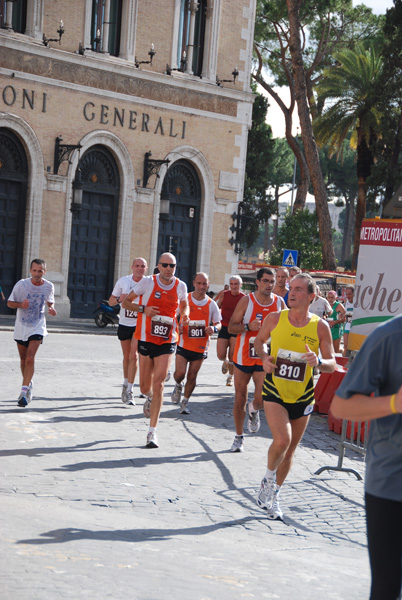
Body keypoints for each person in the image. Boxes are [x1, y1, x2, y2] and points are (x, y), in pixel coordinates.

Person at [253, 273, 335, 520]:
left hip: (303, 396)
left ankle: (275, 496)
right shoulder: (275, 318)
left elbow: (332, 364)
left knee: (290, 452)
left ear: (311, 296)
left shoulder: (320, 326)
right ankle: (268, 479)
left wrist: (319, 361)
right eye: (291, 288)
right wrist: (264, 357)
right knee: (282, 440)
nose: (293, 293)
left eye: (299, 289)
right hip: (275, 390)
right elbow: (259, 341)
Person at [331, 315, 402, 600]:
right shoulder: (389, 337)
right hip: (392, 484)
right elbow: (341, 406)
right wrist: (395, 402)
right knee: (387, 588)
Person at [122, 252, 189, 448]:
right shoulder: (147, 283)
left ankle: (152, 432)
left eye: (172, 265)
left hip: (168, 339)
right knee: (145, 388)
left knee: (159, 383)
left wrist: (184, 315)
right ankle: (149, 397)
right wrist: (144, 310)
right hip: (146, 338)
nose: (169, 269)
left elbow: (184, 305)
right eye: (165, 265)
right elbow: (126, 302)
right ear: (158, 266)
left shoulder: (181, 286)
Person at [228, 268, 286, 452]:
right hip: (244, 356)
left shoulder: (279, 303)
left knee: (261, 399)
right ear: (258, 282)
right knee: (240, 397)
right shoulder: (247, 301)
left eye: (272, 281)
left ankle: (253, 410)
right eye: (266, 281)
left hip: (265, 357)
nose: (270, 285)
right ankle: (238, 436)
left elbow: (287, 325)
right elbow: (231, 327)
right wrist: (247, 326)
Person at [7, 259, 57, 407]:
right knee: (23, 360)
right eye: (34, 271)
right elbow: (10, 303)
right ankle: (28, 383)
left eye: (40, 271)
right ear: (30, 271)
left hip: (38, 326)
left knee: (30, 358)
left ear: (44, 272)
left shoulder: (49, 286)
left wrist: (51, 308)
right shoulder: (21, 285)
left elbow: (50, 301)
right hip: (21, 327)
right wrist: (20, 304)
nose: (37, 274)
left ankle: (23, 392)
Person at [171, 272, 221, 415]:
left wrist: (214, 328)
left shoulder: (212, 304)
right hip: (183, 343)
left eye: (204, 283)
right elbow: (173, 315)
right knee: (180, 373)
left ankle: (185, 402)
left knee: (192, 376)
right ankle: (178, 384)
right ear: (193, 284)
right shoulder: (185, 299)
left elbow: (219, 323)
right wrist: (177, 327)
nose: (201, 286)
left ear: (208, 284)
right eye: (199, 283)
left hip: (200, 346)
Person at [109, 257, 148, 405]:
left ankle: (130, 389)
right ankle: (125, 384)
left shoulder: (148, 283)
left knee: (134, 355)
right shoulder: (123, 281)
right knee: (126, 356)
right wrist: (120, 299)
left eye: (142, 266)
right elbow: (111, 301)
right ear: (132, 267)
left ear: (146, 268)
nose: (139, 268)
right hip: (125, 323)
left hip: (140, 324)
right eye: (137, 266)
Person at [216, 275, 245, 386]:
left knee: (233, 354)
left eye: (236, 284)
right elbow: (218, 306)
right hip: (224, 326)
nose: (234, 286)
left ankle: (230, 377)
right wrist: (215, 320)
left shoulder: (244, 298)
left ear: (240, 285)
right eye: (232, 284)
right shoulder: (224, 294)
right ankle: (225, 361)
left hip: (236, 328)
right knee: (220, 354)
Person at [343, 285, 354, 357]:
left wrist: (347, 314)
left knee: (353, 347)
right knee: (345, 346)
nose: (348, 296)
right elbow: (347, 313)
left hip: (354, 326)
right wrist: (343, 314)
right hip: (347, 325)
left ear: (353, 294)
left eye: (349, 294)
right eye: (346, 294)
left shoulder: (357, 302)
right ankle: (344, 365)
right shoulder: (346, 301)